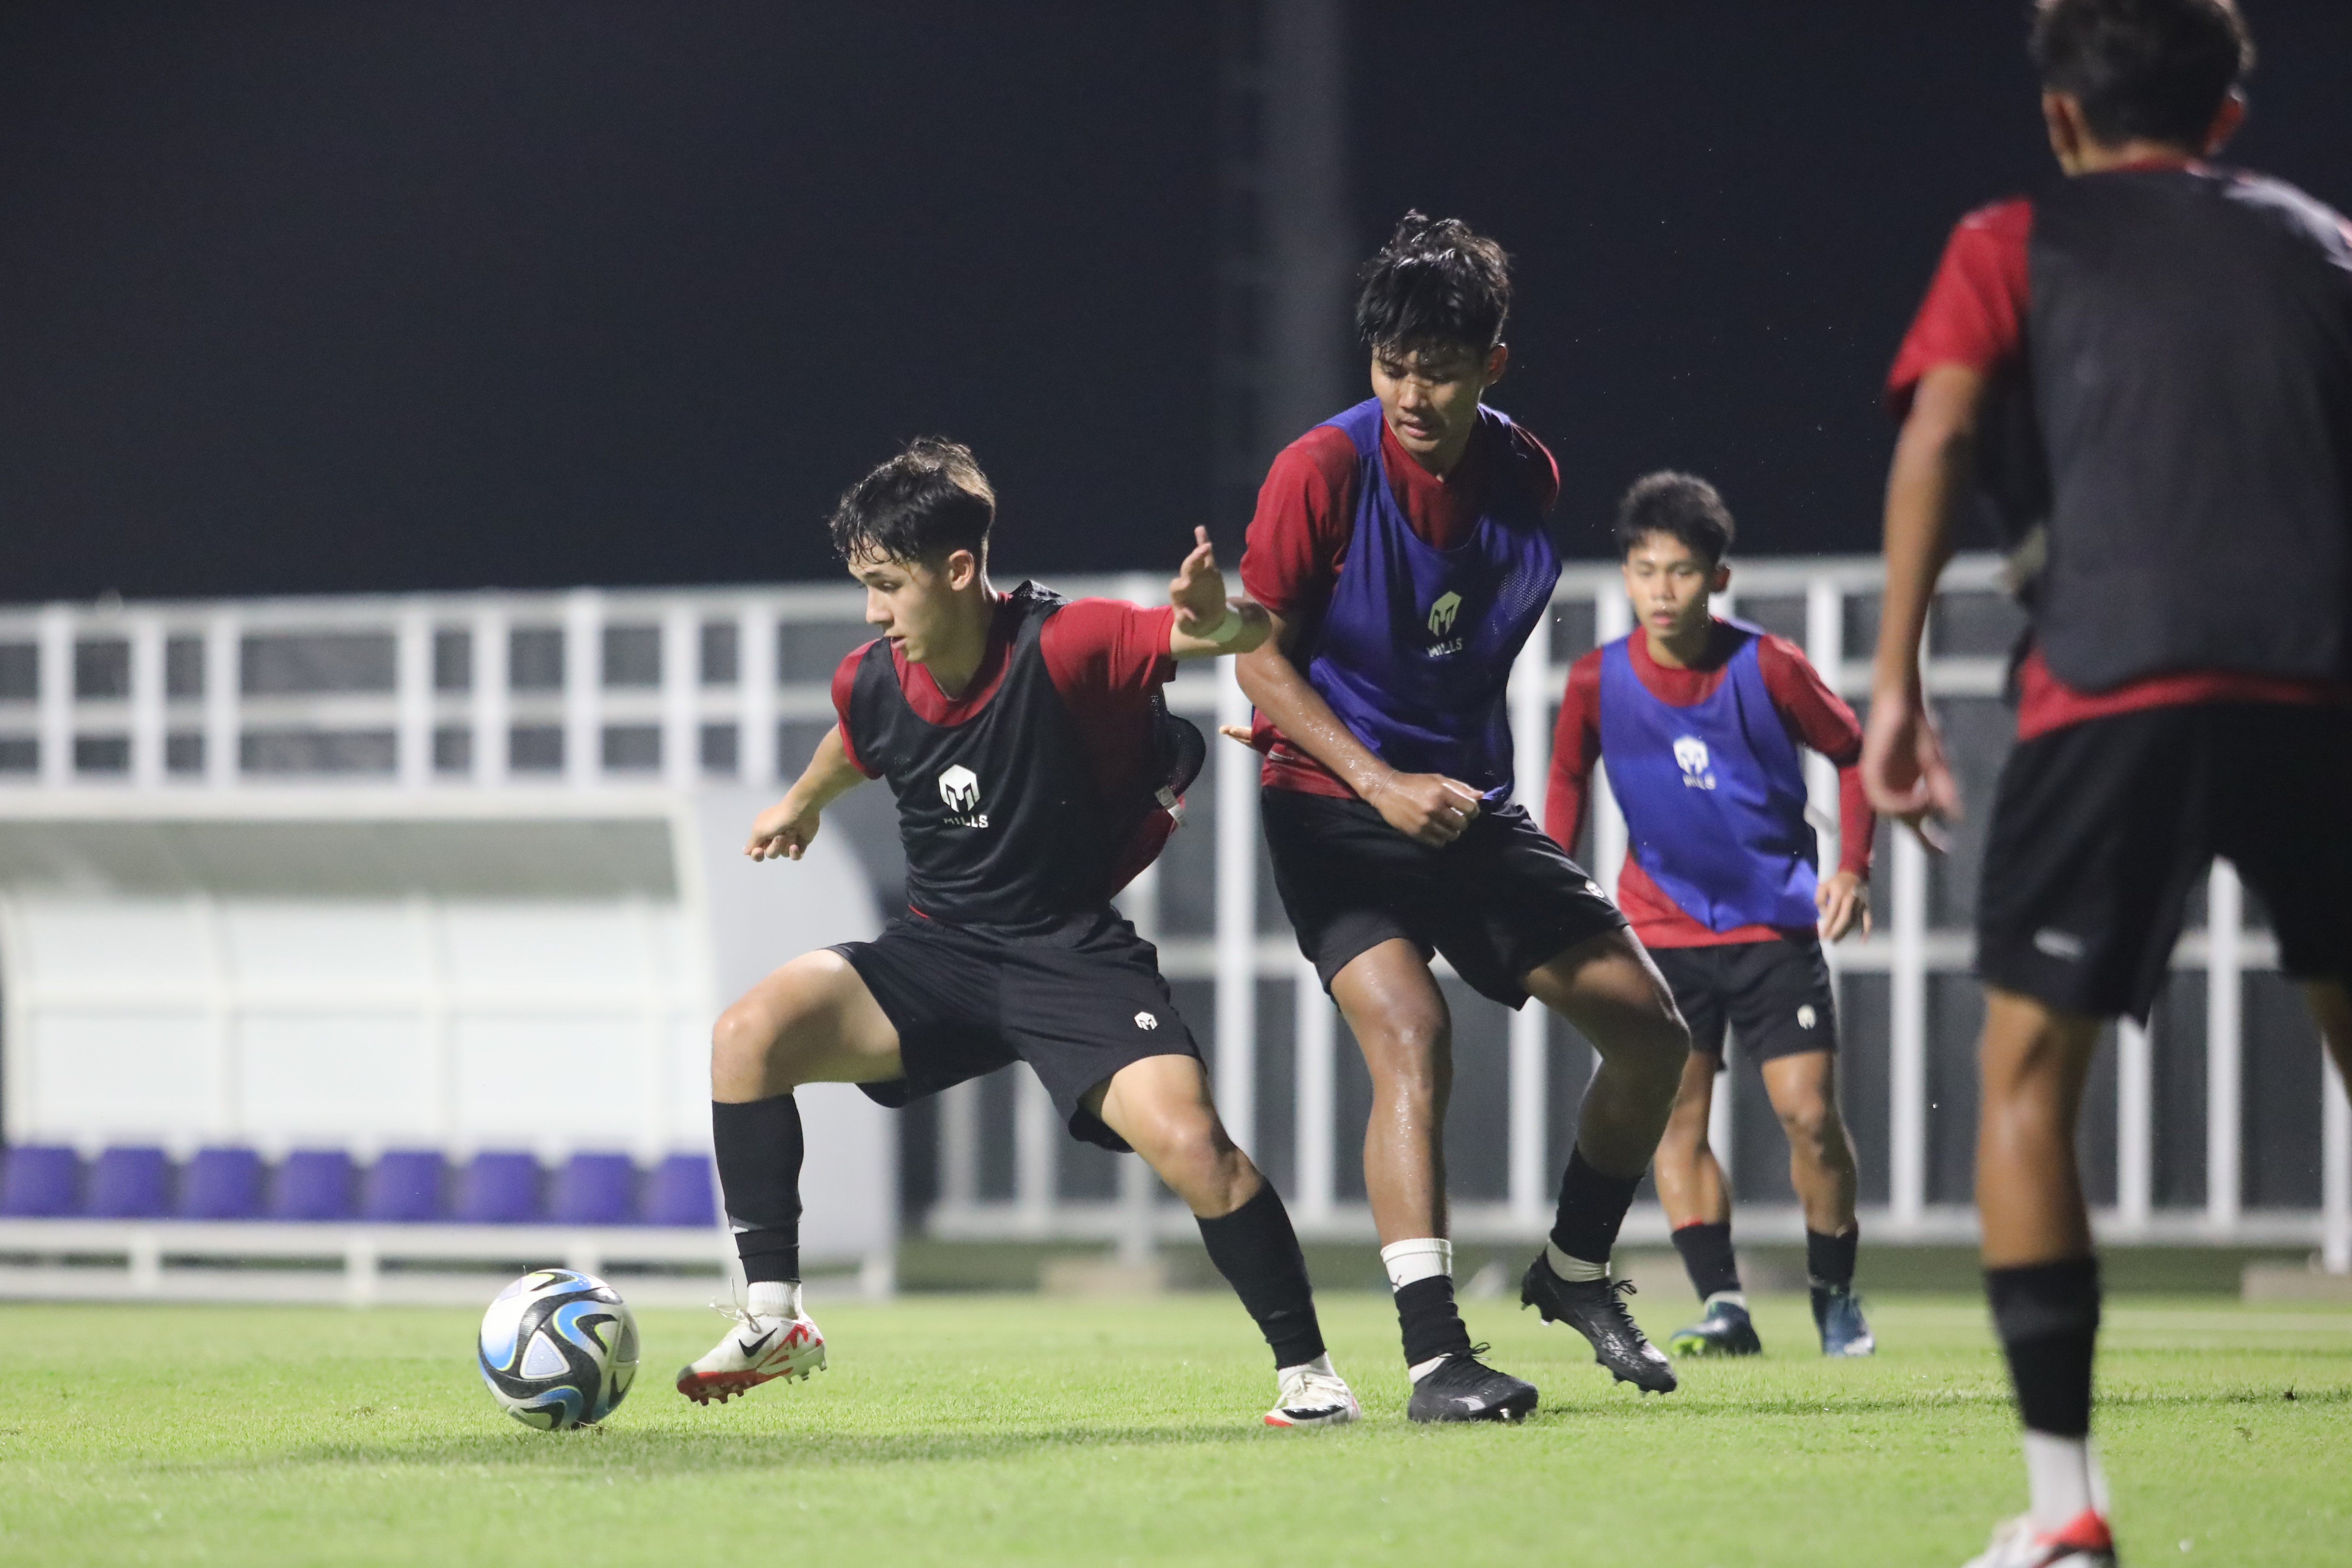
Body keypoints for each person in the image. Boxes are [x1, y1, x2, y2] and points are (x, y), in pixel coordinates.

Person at [1863, 2, 2352, 1562]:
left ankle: (2065, 1507)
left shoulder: (2010, 236)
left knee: (2018, 1085)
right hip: (2314, 686)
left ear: (2058, 116)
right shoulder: (2324, 244)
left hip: (2108, 680)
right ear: (2221, 118)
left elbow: (1938, 433)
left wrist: (1889, 684)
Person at [680, 437, 1363, 1430]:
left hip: (1066, 953)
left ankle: (1309, 1375)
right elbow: (853, 739)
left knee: (1195, 1148)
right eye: (864, 585)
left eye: (888, 584)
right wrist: (800, 804)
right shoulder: (871, 677)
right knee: (747, 1036)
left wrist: (1223, 618)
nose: (872, 610)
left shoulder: (1068, 643)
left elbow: (1226, 635)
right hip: (937, 954)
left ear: (959, 570)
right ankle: (774, 1315)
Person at [1229, 211, 1691, 1422]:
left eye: (1436, 365)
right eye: (1390, 365)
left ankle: (1575, 1269)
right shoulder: (1319, 470)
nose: (1410, 391)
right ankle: (1438, 1358)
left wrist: (1428, 766)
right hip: (1333, 810)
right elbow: (1256, 658)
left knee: (1652, 1034)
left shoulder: (1526, 472)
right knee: (1412, 1031)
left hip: (1463, 807)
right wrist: (1357, 758)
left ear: (1494, 361)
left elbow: (1457, 640)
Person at [1547, 471, 1878, 1360]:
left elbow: (1854, 753)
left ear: (1717, 579)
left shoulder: (1767, 665)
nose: (1662, 589)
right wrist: (1549, 889)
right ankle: (1723, 1304)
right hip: (1657, 936)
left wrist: (1852, 865)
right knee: (1676, 1121)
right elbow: (1566, 784)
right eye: (1646, 568)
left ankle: (1835, 1295)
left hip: (1773, 931)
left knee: (1807, 1115)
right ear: (1624, 575)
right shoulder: (1592, 681)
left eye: (1683, 571)